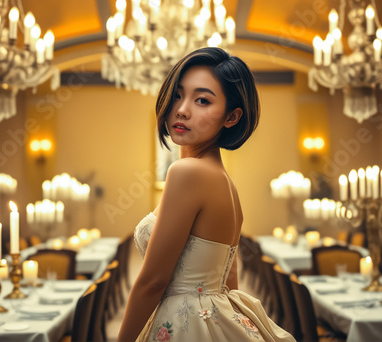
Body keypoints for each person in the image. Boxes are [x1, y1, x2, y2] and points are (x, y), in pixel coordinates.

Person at [118, 47, 295, 342]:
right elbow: (229, 281)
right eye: (177, 94)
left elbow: (152, 282)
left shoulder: (186, 173)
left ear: (231, 117)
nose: (182, 109)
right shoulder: (227, 184)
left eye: (202, 100)